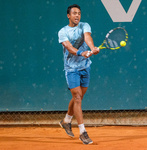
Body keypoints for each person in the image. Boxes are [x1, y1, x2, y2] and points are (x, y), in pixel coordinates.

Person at [58, 4, 99, 145]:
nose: (77, 15)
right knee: (77, 97)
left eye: (79, 13)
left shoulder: (84, 26)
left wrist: (92, 48)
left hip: (85, 67)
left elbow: (87, 37)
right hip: (71, 69)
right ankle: (83, 132)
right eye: (74, 13)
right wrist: (82, 52)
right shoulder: (62, 32)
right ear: (68, 15)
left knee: (79, 97)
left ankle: (66, 121)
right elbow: (69, 47)